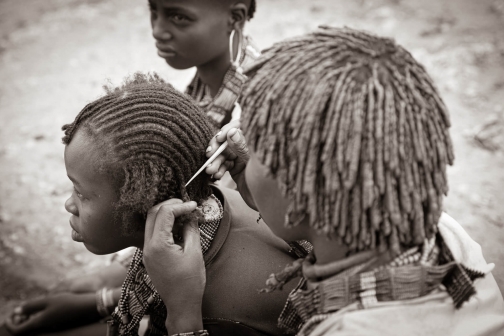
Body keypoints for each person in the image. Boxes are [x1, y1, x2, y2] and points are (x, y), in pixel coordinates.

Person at [202, 26, 504, 335]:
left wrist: (183, 316)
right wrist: (266, 194)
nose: (242, 144)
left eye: (257, 140)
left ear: (297, 194)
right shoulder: (443, 233)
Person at [4, 73, 302, 336]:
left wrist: (182, 314)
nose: (69, 204)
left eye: (82, 194)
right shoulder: (218, 207)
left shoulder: (215, 315)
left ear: (145, 204)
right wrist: (97, 304)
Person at [150, 0, 260, 129]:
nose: (156, 32)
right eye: (154, 12)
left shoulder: (256, 105)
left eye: (179, 17)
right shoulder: (205, 80)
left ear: (235, 18)